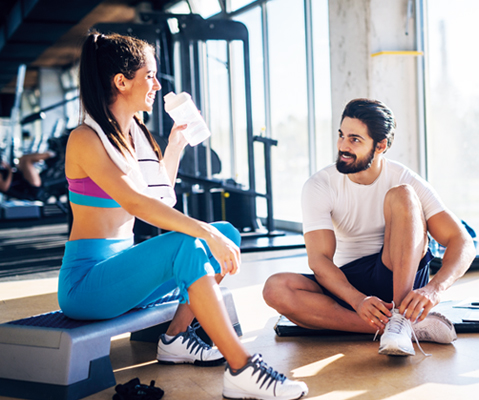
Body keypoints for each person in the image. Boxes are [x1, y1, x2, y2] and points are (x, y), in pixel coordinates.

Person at [59, 31, 307, 400]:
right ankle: (242, 368)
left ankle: (175, 339)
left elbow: (159, 197)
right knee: (193, 242)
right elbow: (137, 205)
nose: (157, 85)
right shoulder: (86, 138)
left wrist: (174, 146)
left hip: (122, 273)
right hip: (88, 284)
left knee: (228, 232)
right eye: (150, 76)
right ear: (121, 81)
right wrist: (205, 233)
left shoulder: (132, 135)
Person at [263, 98, 476, 357]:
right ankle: (405, 327)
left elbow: (462, 241)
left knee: (403, 196)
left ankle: (401, 318)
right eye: (341, 135)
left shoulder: (404, 178)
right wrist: (357, 300)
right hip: (350, 284)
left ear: (381, 145)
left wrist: (434, 289)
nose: (342, 146)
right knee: (276, 289)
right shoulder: (320, 185)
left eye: (355, 140)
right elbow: (319, 260)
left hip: (400, 278)